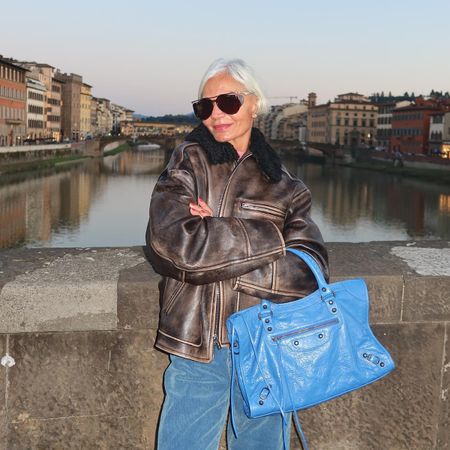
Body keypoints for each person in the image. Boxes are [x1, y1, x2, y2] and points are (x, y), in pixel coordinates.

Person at [146, 58, 328, 450]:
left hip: (268, 342)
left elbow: (308, 273)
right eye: (204, 106)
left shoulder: (287, 187)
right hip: (197, 343)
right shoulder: (189, 160)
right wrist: (268, 237)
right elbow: (170, 243)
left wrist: (216, 231)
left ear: (254, 104)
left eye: (227, 101)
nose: (215, 114)